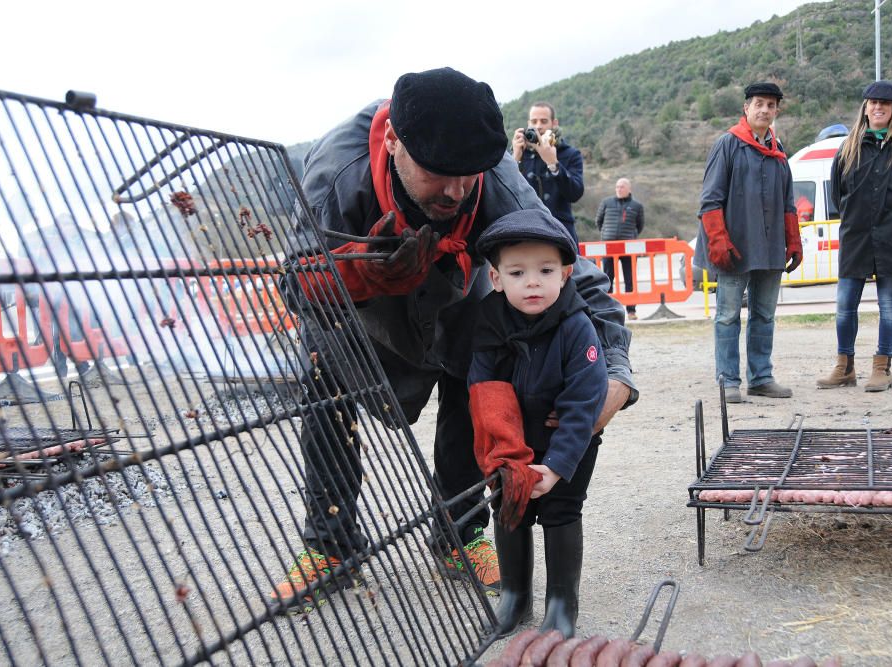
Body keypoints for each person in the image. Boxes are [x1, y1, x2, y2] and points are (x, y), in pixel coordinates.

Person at [274, 67, 637, 613]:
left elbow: (571, 269)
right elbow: (295, 282)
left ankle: (459, 534)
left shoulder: (494, 176)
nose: (456, 190)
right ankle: (332, 546)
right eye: (439, 174)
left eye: (468, 175)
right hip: (356, 318)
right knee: (327, 390)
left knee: (478, 390)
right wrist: (365, 273)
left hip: (456, 303)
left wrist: (615, 369)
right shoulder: (338, 171)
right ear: (394, 141)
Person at [470, 208, 607, 639]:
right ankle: (514, 597)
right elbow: (484, 387)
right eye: (517, 272)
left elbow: (585, 399)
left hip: (567, 437)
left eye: (545, 270)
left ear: (566, 274)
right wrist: (503, 454)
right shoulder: (490, 322)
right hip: (513, 439)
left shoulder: (576, 326)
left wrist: (558, 463)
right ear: (496, 279)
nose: (532, 281)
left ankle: (562, 604)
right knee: (510, 506)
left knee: (562, 508)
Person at [817, 80, 892, 392]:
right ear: (865, 107)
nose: (878, 107)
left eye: (885, 103)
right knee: (844, 306)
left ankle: (883, 368)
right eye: (873, 102)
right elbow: (837, 194)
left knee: (889, 304)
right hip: (856, 238)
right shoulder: (848, 147)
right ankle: (844, 367)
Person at [693, 82, 802, 404]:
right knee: (727, 315)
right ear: (746, 108)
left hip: (769, 248)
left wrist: (793, 241)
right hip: (734, 247)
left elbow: (788, 203)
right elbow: (710, 200)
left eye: (771, 105)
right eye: (759, 104)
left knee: (764, 315)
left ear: (776, 111)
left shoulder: (779, 152)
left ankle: (761, 378)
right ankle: (728, 380)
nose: (765, 110)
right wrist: (718, 241)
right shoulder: (727, 145)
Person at [511, 103, 585, 246]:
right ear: (528, 123)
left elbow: (575, 193)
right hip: (525, 233)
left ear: (554, 123)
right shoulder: (519, 153)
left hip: (561, 233)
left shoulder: (570, 154)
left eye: (544, 121)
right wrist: (515, 159)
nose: (538, 126)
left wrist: (553, 163)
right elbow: (504, 194)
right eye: (534, 121)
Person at [595, 178, 645, 320]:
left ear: (629, 189)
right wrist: (606, 235)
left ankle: (631, 311)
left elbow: (640, 225)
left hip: (628, 247)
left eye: (622, 186)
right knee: (608, 278)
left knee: (630, 278)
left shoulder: (637, 206)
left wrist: (631, 236)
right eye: (617, 186)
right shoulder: (606, 203)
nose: (619, 189)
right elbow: (598, 221)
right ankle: (608, 310)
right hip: (609, 247)